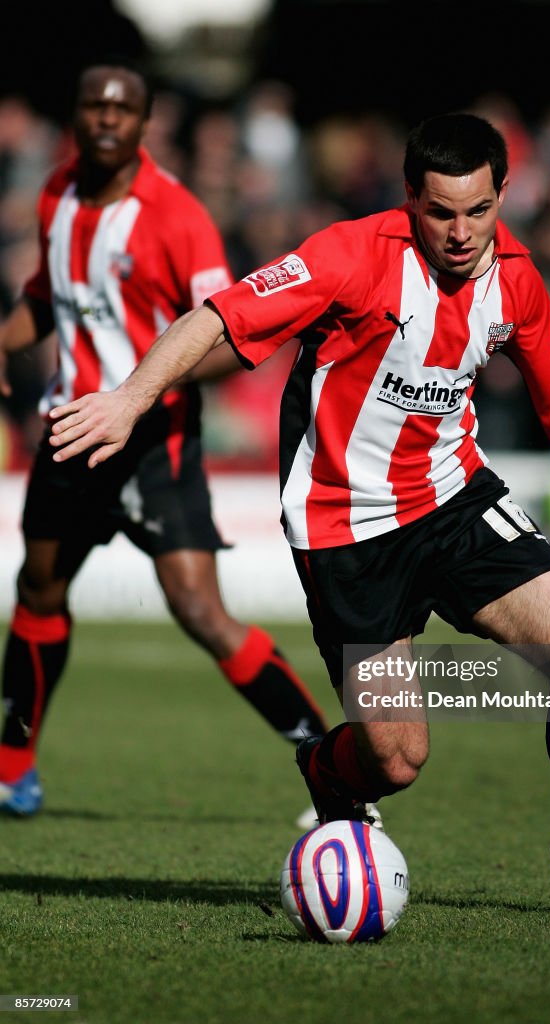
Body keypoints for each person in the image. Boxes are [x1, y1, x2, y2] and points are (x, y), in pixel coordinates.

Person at [47, 113, 550, 914]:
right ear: (410, 196)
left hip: (453, 499)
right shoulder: (349, 255)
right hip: (345, 529)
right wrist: (132, 399)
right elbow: (218, 316)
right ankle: (326, 769)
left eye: (478, 211)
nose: (459, 232)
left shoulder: (516, 277)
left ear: (502, 194)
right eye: (440, 212)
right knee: (398, 761)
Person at [0, 57, 333, 824]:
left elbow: (227, 334)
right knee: (36, 592)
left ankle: (327, 756)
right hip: (67, 433)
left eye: (123, 109)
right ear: (76, 115)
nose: (107, 119)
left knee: (199, 610)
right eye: (94, 106)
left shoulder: (178, 216)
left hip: (154, 445)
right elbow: (47, 300)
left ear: (145, 123)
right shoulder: (55, 192)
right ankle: (14, 767)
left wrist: (140, 396)